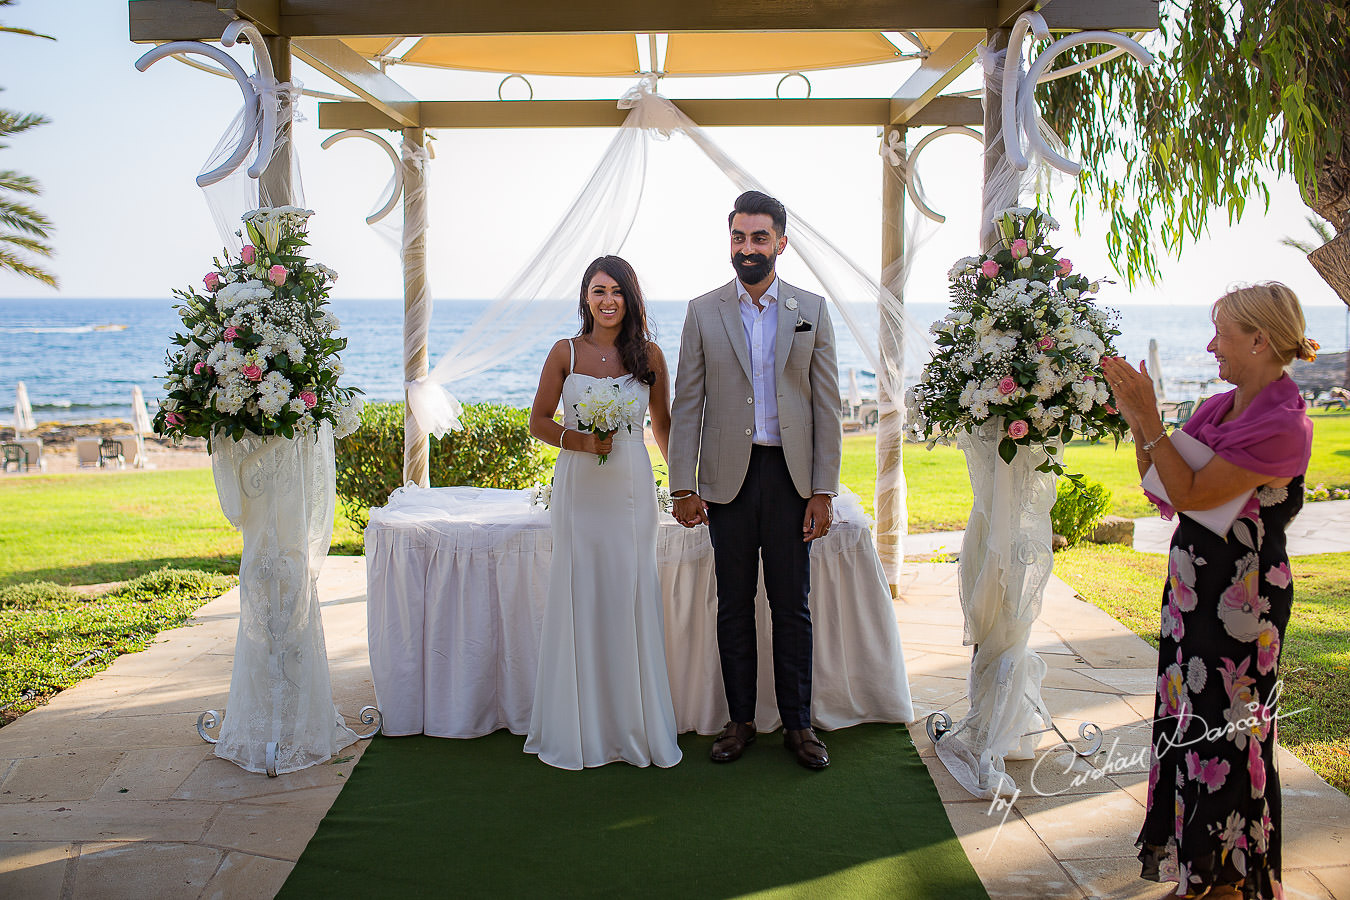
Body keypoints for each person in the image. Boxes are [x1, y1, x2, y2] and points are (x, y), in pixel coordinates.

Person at [1102, 283, 1316, 900]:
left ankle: (1230, 877)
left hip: (1244, 602)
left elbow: (1191, 493)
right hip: (1191, 593)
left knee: (1232, 729)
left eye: (1220, 333)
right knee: (1188, 721)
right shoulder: (1219, 409)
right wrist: (1148, 431)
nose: (1210, 345)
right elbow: (1159, 481)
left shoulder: (1282, 423)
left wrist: (1147, 419)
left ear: (1259, 338)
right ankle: (1198, 870)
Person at [669, 190, 843, 770]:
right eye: (740, 237)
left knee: (793, 607)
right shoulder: (702, 311)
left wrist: (823, 489)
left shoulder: (811, 310)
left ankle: (799, 726)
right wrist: (682, 484)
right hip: (727, 482)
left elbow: (826, 406)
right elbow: (687, 401)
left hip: (791, 479)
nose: (749, 247)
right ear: (732, 243)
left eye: (760, 237)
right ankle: (739, 720)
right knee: (733, 606)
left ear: (781, 243)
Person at [524, 255, 682, 770]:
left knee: (628, 590)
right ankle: (578, 728)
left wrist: (684, 487)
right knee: (580, 590)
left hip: (631, 488)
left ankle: (632, 728)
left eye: (616, 290)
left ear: (630, 298)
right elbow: (538, 421)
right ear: (585, 298)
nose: (607, 299)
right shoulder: (564, 351)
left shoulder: (650, 354)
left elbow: (661, 426)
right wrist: (581, 441)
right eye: (598, 290)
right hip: (578, 487)